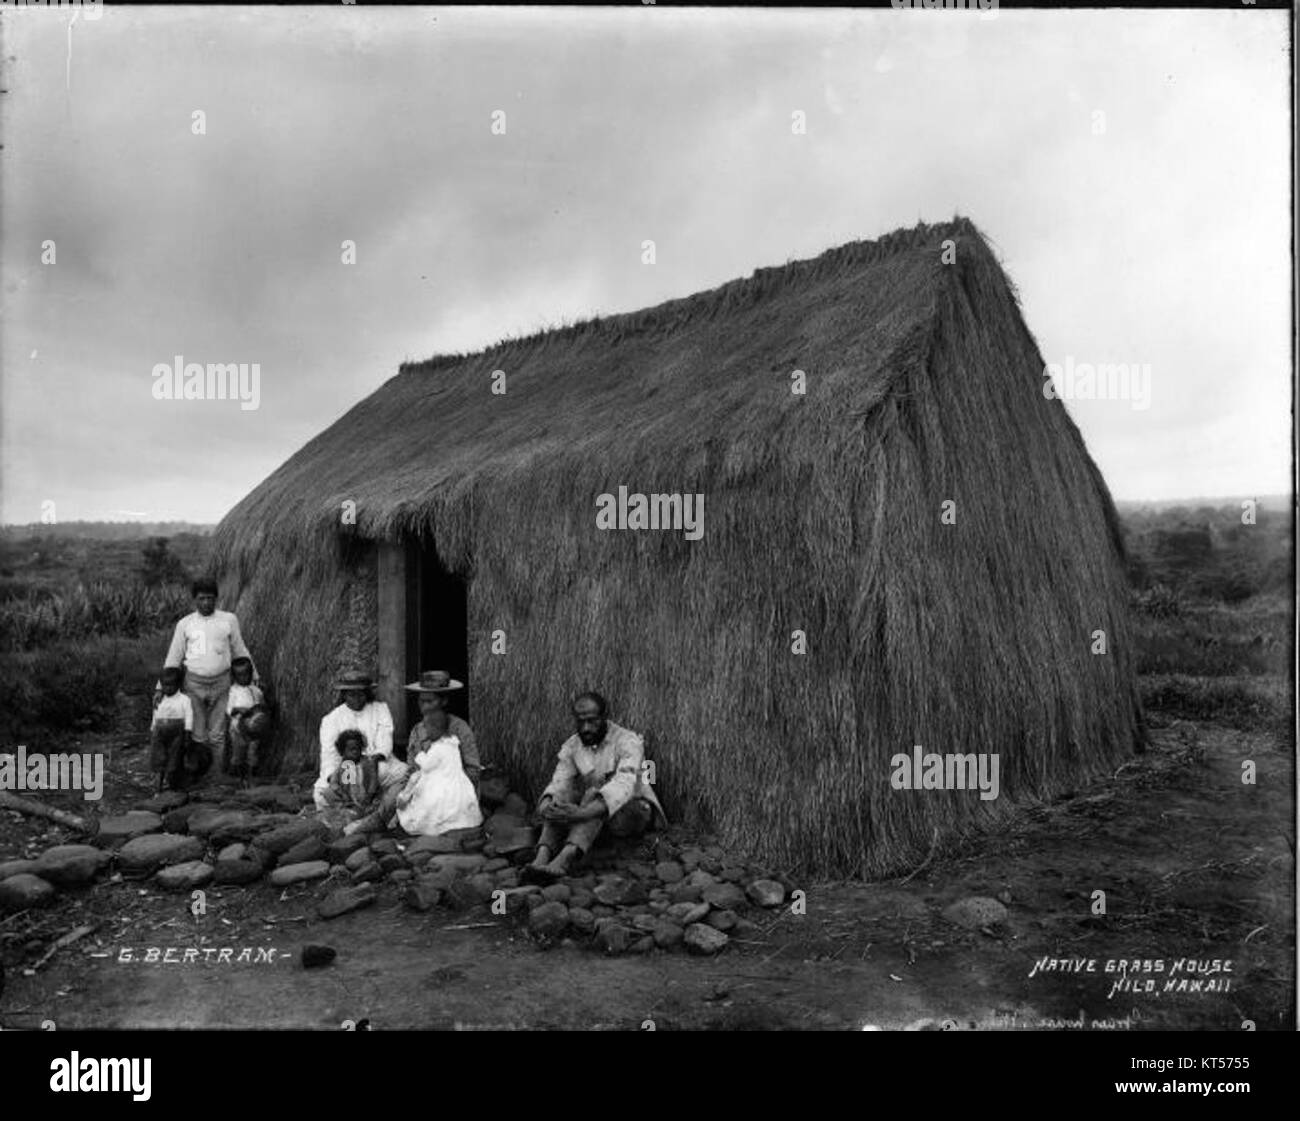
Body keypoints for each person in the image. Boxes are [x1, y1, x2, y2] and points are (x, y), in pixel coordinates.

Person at [526, 691, 666, 880]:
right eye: (580, 721)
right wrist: (548, 807)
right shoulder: (572, 745)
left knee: (595, 795)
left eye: (592, 721)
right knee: (559, 799)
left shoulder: (629, 741)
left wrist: (581, 813)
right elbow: (559, 781)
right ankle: (543, 854)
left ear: (604, 717)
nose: (586, 728)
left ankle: (566, 857)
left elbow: (621, 787)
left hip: (635, 812)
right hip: (598, 817)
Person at [345, 670, 483, 837]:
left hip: (454, 791)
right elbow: (412, 768)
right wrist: (408, 789)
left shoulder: (459, 729)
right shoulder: (418, 731)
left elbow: (473, 769)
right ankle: (379, 818)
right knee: (393, 796)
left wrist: (453, 790)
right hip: (421, 784)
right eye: (421, 700)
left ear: (444, 701)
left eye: (429, 701)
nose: (423, 706)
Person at [161, 577, 254, 776]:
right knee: (198, 734)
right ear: (195, 600)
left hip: (221, 684)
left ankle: (217, 777)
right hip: (193, 685)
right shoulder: (185, 624)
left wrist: (255, 677)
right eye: (202, 599)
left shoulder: (228, 620)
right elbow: (174, 657)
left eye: (210, 598)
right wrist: (160, 689)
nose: (206, 603)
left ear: (216, 599)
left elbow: (240, 649)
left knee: (218, 735)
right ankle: (200, 775)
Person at [313, 670, 405, 811]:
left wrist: (372, 761)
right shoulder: (331, 719)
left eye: (361, 694)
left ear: (367, 693)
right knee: (321, 793)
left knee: (406, 774)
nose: (357, 699)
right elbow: (329, 755)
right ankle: (354, 809)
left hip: (378, 764)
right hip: (346, 766)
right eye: (351, 695)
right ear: (344, 695)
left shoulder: (380, 709)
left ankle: (377, 805)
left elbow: (385, 741)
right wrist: (335, 777)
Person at [392, 708, 483, 837]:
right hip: (456, 783)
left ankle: (434, 828)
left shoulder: (439, 748)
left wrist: (420, 755)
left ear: (436, 729)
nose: (425, 732)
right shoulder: (452, 743)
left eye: (427, 728)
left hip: (442, 784)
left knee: (431, 803)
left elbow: (427, 765)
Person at [225, 656, 269, 780]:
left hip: (255, 727)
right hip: (238, 727)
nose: (244, 677)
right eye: (240, 675)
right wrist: (238, 710)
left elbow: (262, 705)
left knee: (253, 751)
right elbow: (228, 709)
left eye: (247, 674)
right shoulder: (232, 691)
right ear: (234, 677)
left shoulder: (256, 690)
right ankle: (236, 776)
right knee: (238, 751)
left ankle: (251, 776)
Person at [150, 666, 194, 792]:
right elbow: (155, 713)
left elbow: (189, 716)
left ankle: (172, 786)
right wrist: (153, 728)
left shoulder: (184, 700)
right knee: (158, 758)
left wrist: (187, 732)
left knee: (174, 758)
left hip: (177, 733)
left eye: (171, 685)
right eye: (164, 685)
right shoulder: (159, 699)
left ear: (179, 685)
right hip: (159, 731)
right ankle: (157, 786)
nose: (167, 688)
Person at [321, 729, 380, 815]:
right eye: (351, 750)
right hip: (349, 798)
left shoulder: (367, 763)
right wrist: (341, 793)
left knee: (381, 799)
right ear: (343, 751)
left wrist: (370, 795)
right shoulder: (343, 766)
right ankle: (346, 809)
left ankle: (367, 810)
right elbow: (334, 782)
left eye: (357, 749)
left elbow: (373, 781)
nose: (355, 752)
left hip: (367, 797)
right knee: (327, 792)